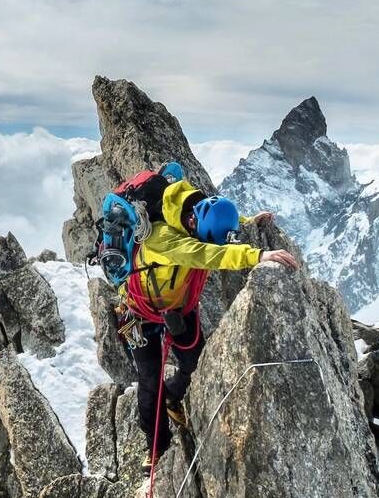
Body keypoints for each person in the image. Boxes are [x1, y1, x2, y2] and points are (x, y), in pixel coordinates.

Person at [119, 178, 299, 469]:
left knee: (196, 364)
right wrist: (257, 256)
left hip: (178, 305)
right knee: (150, 381)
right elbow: (204, 253)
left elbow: (217, 221)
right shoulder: (160, 238)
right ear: (191, 224)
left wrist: (247, 221)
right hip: (138, 311)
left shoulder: (195, 209)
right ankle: (157, 450)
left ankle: (173, 396)